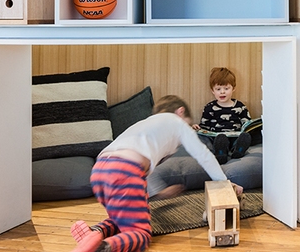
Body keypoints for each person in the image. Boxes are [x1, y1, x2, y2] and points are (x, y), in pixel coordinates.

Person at [69, 95, 242, 252]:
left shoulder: (145, 125)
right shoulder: (177, 122)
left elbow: (143, 169)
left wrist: (158, 193)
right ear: (180, 112)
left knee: (123, 217)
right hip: (124, 170)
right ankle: (102, 247)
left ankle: (95, 231)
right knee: (140, 233)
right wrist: (225, 183)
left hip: (99, 170)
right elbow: (203, 155)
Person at [196, 67, 253, 165]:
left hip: (235, 136)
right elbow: (205, 126)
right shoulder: (210, 107)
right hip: (217, 138)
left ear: (233, 88)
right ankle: (221, 154)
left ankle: (238, 151)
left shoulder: (240, 107)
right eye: (218, 89)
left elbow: (247, 124)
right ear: (212, 90)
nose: (222, 92)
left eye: (226, 88)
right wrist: (197, 128)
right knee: (218, 139)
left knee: (245, 136)